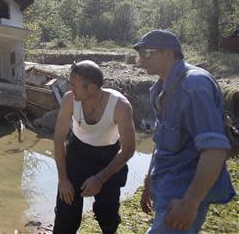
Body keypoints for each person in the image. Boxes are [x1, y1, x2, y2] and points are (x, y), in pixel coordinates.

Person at [134, 29, 236, 233]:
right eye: (139, 54)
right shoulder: (160, 89)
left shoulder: (194, 86)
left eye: (147, 53)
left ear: (169, 53)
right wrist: (149, 180)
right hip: (167, 185)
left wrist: (190, 203)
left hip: (184, 191)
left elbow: (214, 149)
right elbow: (162, 140)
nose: (141, 60)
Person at [53, 60, 136, 234]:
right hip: (77, 154)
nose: (70, 88)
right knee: (65, 215)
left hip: (108, 158)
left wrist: (100, 178)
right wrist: (62, 179)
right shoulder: (70, 99)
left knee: (108, 215)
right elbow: (59, 138)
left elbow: (128, 150)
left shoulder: (120, 106)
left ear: (91, 88)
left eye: (73, 85)